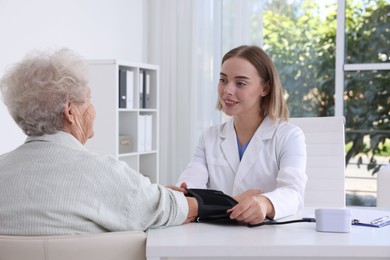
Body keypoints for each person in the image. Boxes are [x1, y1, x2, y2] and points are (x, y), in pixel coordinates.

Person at [0, 48, 198, 235]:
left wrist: (153, 194)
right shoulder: (105, 174)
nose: (93, 110)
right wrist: (168, 198)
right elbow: (176, 209)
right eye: (89, 100)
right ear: (70, 111)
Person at [174, 45, 307, 225]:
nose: (227, 90)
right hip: (214, 235)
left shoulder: (289, 136)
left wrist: (265, 203)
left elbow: (293, 193)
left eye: (240, 83)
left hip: (268, 237)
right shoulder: (209, 137)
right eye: (223, 80)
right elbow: (190, 188)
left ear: (265, 89)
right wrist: (180, 195)